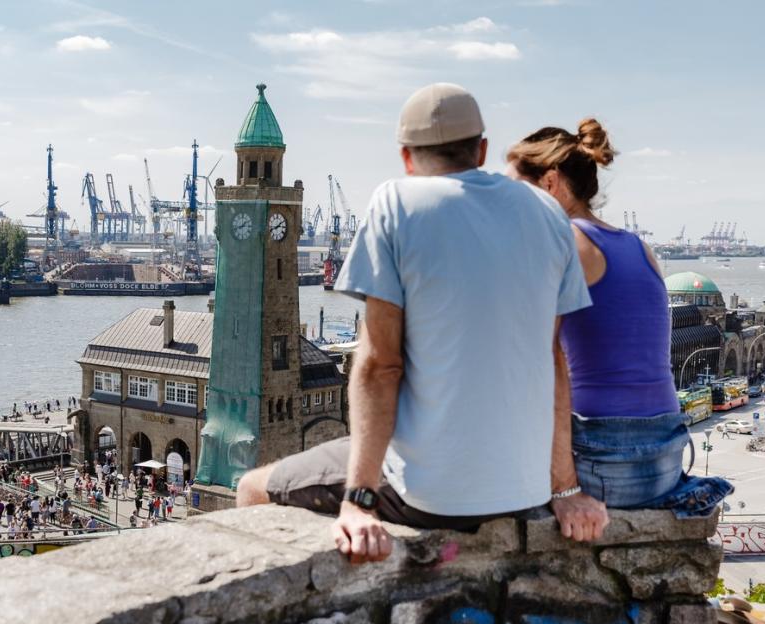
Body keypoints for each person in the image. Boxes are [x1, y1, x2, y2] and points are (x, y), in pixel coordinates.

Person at [236, 82, 598, 563]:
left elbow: (379, 366)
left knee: (251, 487)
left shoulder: (395, 205)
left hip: (431, 497)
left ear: (407, 157)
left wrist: (359, 499)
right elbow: (554, 362)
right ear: (482, 150)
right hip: (525, 490)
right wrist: (566, 488)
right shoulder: (549, 215)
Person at [505, 119, 733, 519]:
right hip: (664, 465)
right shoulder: (639, 247)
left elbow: (547, 365)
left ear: (549, 183)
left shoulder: (561, 242)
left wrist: (565, 491)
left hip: (606, 467)